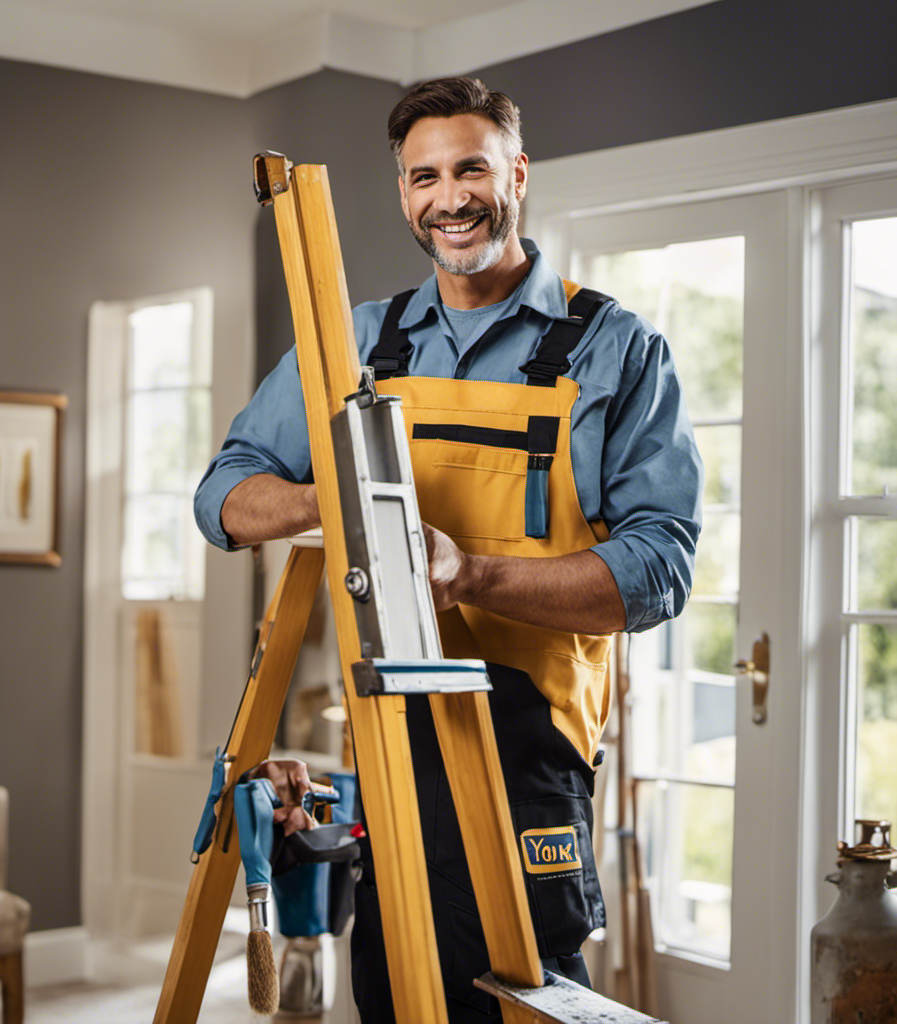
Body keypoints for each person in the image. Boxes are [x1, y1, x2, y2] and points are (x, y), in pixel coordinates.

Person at [194, 77, 702, 1023]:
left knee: (516, 995)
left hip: (529, 737)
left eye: (472, 167)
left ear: (517, 172)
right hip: (388, 724)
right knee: (389, 978)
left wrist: (467, 573)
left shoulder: (617, 349)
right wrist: (336, 496)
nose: (450, 197)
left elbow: (660, 568)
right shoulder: (359, 343)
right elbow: (222, 495)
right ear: (402, 194)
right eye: (423, 176)